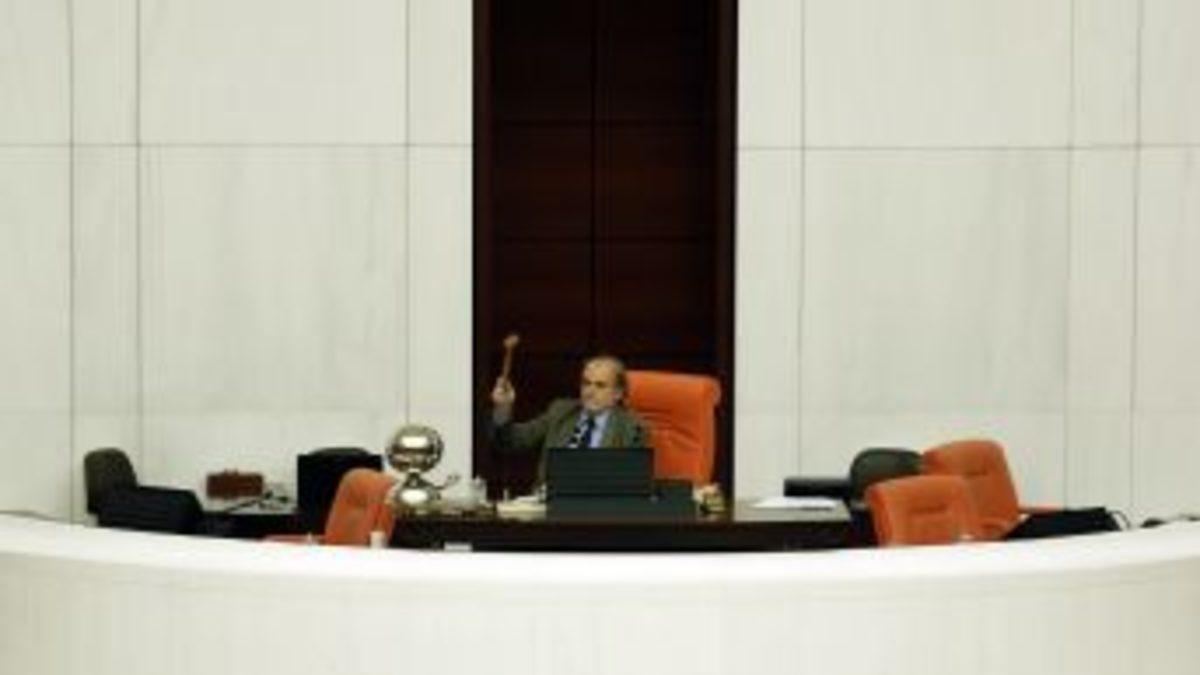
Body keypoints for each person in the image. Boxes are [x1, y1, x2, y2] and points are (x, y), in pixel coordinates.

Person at [490, 355, 648, 487]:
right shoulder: (560, 412)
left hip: (599, 509)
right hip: (550, 505)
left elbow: (631, 486)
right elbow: (511, 441)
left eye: (600, 386)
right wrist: (503, 408)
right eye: (586, 383)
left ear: (618, 393)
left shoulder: (632, 429)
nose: (590, 391)